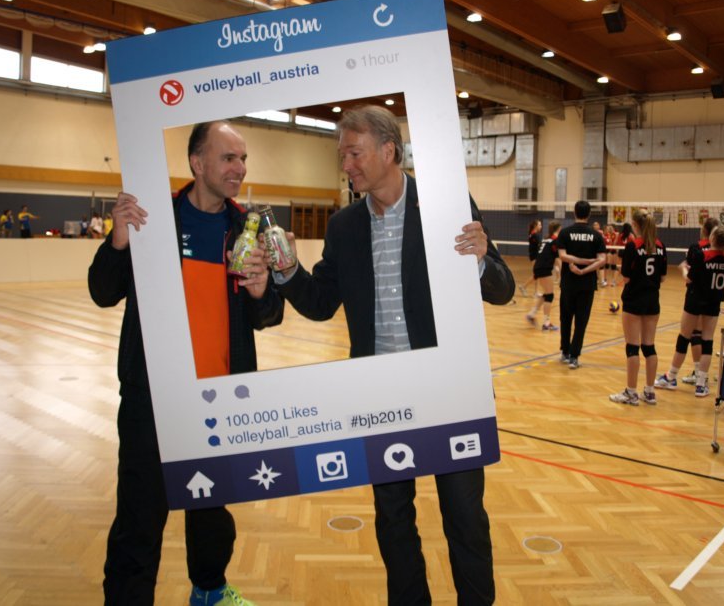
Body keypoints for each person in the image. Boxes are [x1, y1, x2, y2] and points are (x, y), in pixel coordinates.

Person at [272, 105, 514, 605]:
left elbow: (503, 288)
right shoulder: (344, 227)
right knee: (393, 520)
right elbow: (320, 303)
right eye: (342, 156)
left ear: (388, 151)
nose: (346, 165)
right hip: (379, 396)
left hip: (449, 391)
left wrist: (479, 261)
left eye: (354, 154)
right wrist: (288, 270)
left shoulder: (445, 205)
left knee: (465, 517)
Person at [88, 119, 284, 606]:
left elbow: (268, 316)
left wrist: (261, 291)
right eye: (228, 157)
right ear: (197, 163)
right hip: (151, 399)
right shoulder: (153, 220)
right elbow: (103, 291)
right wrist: (118, 241)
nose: (240, 168)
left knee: (212, 511)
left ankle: (209, 590)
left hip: (220, 399)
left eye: (243, 158)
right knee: (139, 516)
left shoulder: (248, 227)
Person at [655, 226, 724, 397]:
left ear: (712, 238)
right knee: (707, 341)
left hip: (695, 300)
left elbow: (689, 279)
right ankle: (701, 384)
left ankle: (671, 376)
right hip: (713, 303)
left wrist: (683, 268)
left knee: (684, 337)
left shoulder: (703, 256)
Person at [610, 210, 667, 406]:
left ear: (635, 225)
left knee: (632, 347)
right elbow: (662, 277)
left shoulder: (633, 246)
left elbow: (626, 278)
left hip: (634, 300)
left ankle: (631, 393)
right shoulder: (660, 246)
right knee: (649, 346)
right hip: (652, 301)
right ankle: (650, 392)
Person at [556, 200, 607, 370]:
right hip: (587, 285)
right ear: (589, 214)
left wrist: (576, 264)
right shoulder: (596, 235)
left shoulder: (565, 233)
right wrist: (585, 268)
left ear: (574, 212)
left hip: (568, 283)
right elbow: (602, 260)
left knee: (565, 318)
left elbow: (563, 256)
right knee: (581, 321)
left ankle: (565, 351)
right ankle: (574, 356)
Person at [679, 217, 719, 385]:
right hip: (713, 297)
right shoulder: (722, 250)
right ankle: (702, 374)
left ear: (704, 230)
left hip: (696, 295)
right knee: (706, 337)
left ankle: (697, 373)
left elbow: (690, 274)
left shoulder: (697, 248)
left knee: (693, 334)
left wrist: (683, 268)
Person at [526, 220, 561, 330]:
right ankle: (546, 323)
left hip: (539, 267)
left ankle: (532, 314)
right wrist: (560, 273)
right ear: (558, 229)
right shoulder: (555, 241)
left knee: (546, 293)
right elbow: (557, 259)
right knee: (549, 295)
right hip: (544, 268)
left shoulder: (546, 239)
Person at [520, 218, 542, 297]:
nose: (541, 226)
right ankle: (523, 287)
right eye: (539, 225)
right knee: (537, 274)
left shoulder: (532, 234)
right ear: (535, 226)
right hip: (535, 256)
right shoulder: (535, 235)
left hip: (534, 256)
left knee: (537, 274)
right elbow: (540, 246)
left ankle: (536, 292)